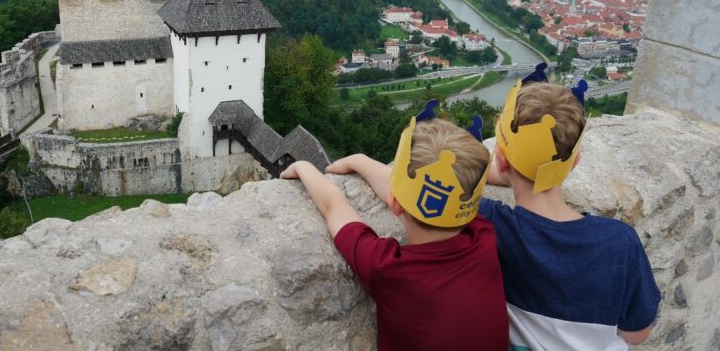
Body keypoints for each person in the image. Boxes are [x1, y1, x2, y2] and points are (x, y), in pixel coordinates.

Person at [281, 102, 508, 350]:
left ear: (394, 203)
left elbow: (333, 206)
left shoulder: (388, 268)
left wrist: (303, 166)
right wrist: (361, 161)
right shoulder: (484, 235)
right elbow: (430, 196)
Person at [480, 68, 661, 350]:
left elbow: (410, 187)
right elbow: (637, 333)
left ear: (501, 161)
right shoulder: (620, 242)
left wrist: (507, 166)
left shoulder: (492, 226)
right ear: (574, 162)